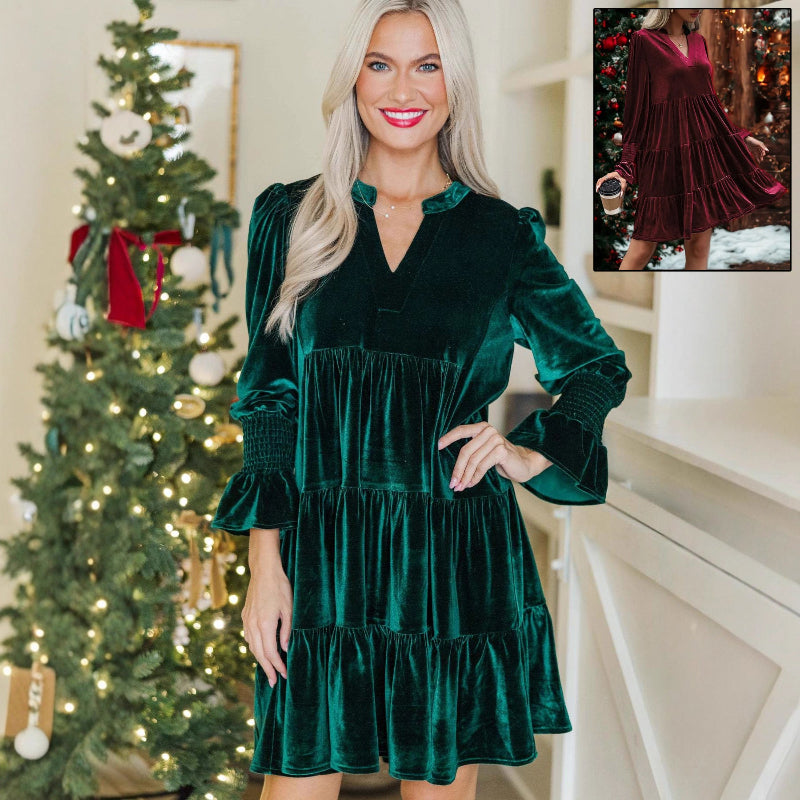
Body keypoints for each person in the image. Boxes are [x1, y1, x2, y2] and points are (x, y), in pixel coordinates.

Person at [212, 1, 632, 797]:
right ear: (355, 80)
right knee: (294, 784)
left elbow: (594, 366)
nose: (402, 87)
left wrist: (524, 447)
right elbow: (270, 403)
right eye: (380, 63)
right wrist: (265, 566)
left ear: (454, 84)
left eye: (427, 64)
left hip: (452, 561)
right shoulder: (292, 219)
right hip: (321, 554)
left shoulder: (501, 235)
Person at [595, 8, 788, 271]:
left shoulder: (699, 42)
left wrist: (742, 138)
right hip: (662, 154)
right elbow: (636, 109)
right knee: (642, 248)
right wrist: (625, 168)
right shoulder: (645, 40)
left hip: (701, 155)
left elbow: (710, 103)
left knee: (699, 250)